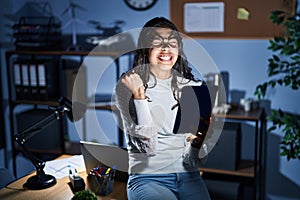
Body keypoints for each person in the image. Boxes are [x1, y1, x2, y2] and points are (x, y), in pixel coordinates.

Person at [115, 17, 211, 200]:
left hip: (188, 176)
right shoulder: (127, 85)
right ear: (145, 48)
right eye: (158, 42)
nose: (166, 48)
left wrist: (199, 143)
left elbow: (193, 160)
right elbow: (146, 147)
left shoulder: (191, 87)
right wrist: (139, 97)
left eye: (172, 42)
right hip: (148, 179)